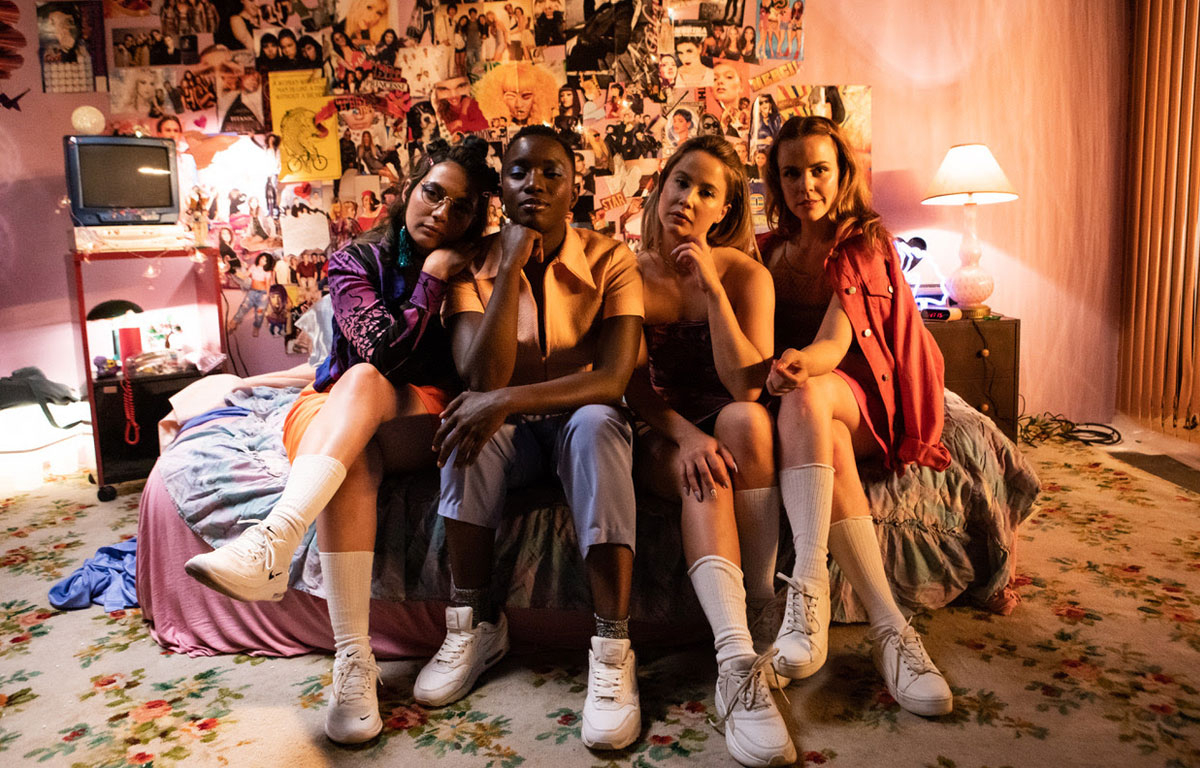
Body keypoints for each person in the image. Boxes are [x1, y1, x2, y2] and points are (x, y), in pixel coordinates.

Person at [184, 139, 500, 745]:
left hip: (422, 413)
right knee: (351, 447)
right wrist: (429, 279)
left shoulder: (473, 267)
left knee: (363, 382)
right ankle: (353, 662)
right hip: (335, 406)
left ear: (473, 219)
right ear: (410, 189)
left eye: (460, 207)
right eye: (433, 193)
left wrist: (439, 274)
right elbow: (377, 348)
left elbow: (403, 366)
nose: (441, 212)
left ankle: (275, 539)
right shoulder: (356, 259)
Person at [413, 126, 644, 751]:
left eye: (550, 172)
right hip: (509, 438)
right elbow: (480, 378)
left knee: (597, 423)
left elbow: (614, 378)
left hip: (578, 424)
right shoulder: (474, 264)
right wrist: (510, 263)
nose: (533, 184)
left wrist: (507, 400)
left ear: (574, 186)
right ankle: (473, 625)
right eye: (518, 172)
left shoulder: (612, 259)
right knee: (467, 424)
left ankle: (612, 646)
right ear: (501, 186)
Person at [758, 115, 954, 716]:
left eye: (819, 169)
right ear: (776, 181)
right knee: (822, 432)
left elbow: (833, 344)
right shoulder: (764, 250)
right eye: (791, 173)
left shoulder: (862, 244)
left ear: (842, 173)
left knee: (809, 395)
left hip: (864, 397)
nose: (806, 185)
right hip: (804, 409)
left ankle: (807, 587)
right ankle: (892, 628)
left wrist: (797, 364)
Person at [625, 136, 793, 766]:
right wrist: (686, 436)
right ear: (660, 186)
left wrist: (714, 288)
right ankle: (735, 662)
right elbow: (631, 387)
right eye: (680, 183)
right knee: (706, 474)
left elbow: (745, 385)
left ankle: (760, 603)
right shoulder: (628, 273)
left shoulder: (748, 275)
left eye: (706, 192)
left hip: (726, 416)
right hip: (659, 427)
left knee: (748, 419)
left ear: (723, 211)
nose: (688, 200)